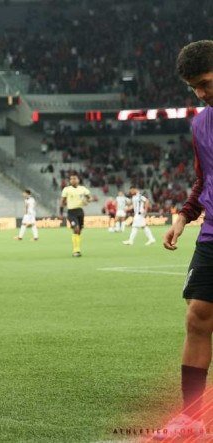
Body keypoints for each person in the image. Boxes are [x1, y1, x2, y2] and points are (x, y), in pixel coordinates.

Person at [161, 40, 213, 436]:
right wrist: (184, 215)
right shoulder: (200, 123)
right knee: (197, 318)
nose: (201, 93)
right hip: (212, 234)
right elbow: (203, 179)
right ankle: (191, 416)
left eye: (206, 82)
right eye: (194, 87)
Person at [60, 174, 92, 257]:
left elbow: (90, 198)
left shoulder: (83, 189)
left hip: (80, 211)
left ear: (78, 180)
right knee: (76, 229)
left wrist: (87, 201)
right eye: (71, 179)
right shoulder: (67, 189)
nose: (73, 180)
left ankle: (77, 248)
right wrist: (61, 212)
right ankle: (76, 250)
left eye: (74, 179)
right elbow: (62, 201)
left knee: (79, 231)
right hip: (71, 212)